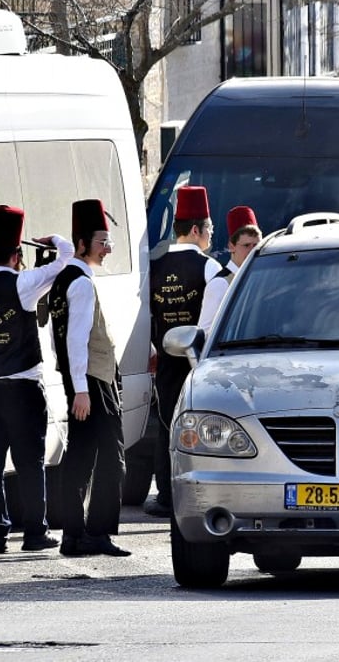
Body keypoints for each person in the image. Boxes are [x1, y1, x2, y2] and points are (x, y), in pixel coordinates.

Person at [0, 205, 73, 554]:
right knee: (29, 463)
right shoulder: (23, 284)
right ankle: (34, 532)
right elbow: (66, 260)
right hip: (22, 387)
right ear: (16, 255)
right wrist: (53, 240)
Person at [48, 199, 131, 557]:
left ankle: (73, 535)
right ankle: (96, 533)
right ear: (83, 244)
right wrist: (81, 390)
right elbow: (75, 339)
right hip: (93, 381)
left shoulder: (64, 276)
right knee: (112, 457)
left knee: (80, 456)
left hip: (83, 378)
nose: (108, 248)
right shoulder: (80, 283)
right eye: (102, 241)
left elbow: (59, 339)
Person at [145, 185, 223, 517]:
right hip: (195, 361)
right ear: (195, 230)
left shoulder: (153, 267)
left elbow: (146, 315)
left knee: (165, 424)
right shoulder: (209, 269)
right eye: (209, 229)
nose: (211, 234)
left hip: (164, 359)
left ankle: (164, 493)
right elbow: (211, 323)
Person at [197, 205, 262, 332]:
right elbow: (205, 333)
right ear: (232, 246)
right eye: (247, 245)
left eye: (256, 245)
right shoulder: (220, 284)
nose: (252, 250)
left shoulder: (261, 278)